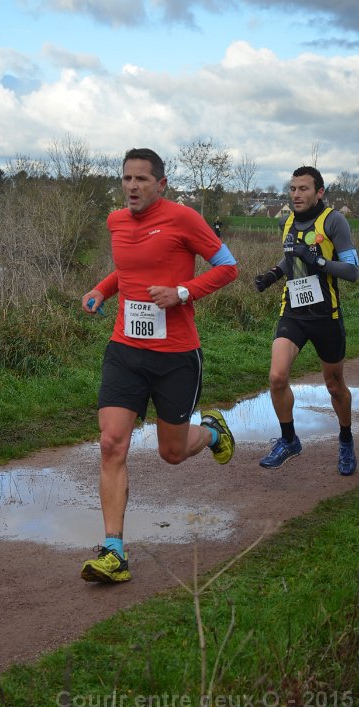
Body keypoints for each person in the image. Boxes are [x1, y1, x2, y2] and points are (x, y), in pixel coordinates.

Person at [80, 148, 238, 584]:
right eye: (126, 178)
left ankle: (212, 432)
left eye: (141, 179)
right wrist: (101, 290)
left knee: (172, 453)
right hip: (125, 350)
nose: (132, 186)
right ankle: (113, 551)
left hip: (175, 356)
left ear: (161, 184)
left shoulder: (183, 218)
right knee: (111, 443)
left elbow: (228, 267)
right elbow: (128, 271)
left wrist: (182, 292)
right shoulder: (115, 221)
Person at [255, 165, 358, 474]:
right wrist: (273, 274)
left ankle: (345, 439)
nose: (296, 194)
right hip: (294, 312)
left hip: (326, 316)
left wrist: (318, 260)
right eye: (293, 189)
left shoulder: (334, 221)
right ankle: (289, 440)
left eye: (303, 189)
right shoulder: (286, 221)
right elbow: (291, 258)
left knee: (335, 386)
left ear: (319, 192)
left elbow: (352, 271)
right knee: (277, 377)